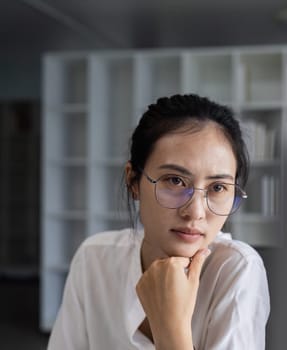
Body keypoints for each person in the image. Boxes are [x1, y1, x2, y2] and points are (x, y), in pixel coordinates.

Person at [47, 94, 270, 349]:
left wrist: (171, 327)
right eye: (175, 181)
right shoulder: (95, 259)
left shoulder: (236, 270)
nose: (195, 212)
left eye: (218, 187)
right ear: (133, 181)